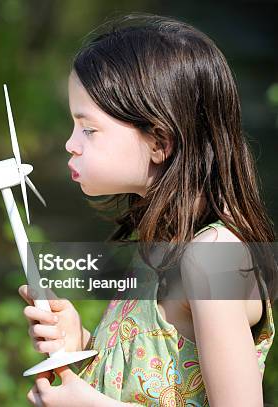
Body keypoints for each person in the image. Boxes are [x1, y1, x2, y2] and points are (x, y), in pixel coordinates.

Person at [19, 14, 275, 406]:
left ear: (159, 141)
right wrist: (83, 344)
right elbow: (151, 376)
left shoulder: (212, 258)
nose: (71, 144)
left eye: (88, 129)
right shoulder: (160, 243)